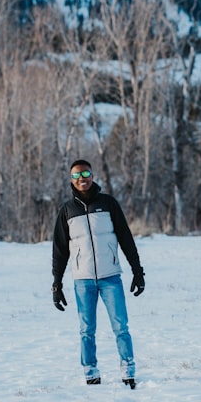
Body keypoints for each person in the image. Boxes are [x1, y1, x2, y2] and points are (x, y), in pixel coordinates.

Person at [51, 160, 145, 389]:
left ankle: (128, 370)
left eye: (85, 173)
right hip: (83, 280)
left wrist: (137, 270)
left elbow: (125, 238)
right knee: (86, 330)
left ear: (92, 175)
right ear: (71, 179)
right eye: (76, 175)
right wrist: (57, 284)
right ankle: (91, 372)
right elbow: (60, 250)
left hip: (110, 276)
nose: (82, 178)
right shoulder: (67, 211)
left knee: (121, 326)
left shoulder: (108, 203)